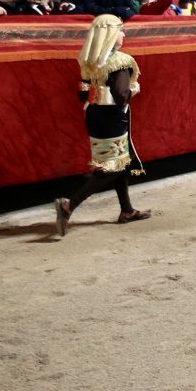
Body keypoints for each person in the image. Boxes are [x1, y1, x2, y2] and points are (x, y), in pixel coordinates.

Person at [54, 15, 150, 236]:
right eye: (121, 30)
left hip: (94, 115)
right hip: (113, 118)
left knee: (119, 164)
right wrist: (135, 89)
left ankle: (126, 210)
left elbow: (81, 94)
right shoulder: (120, 61)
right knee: (113, 167)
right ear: (110, 34)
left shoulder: (89, 60)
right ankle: (70, 204)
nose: (124, 35)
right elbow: (122, 96)